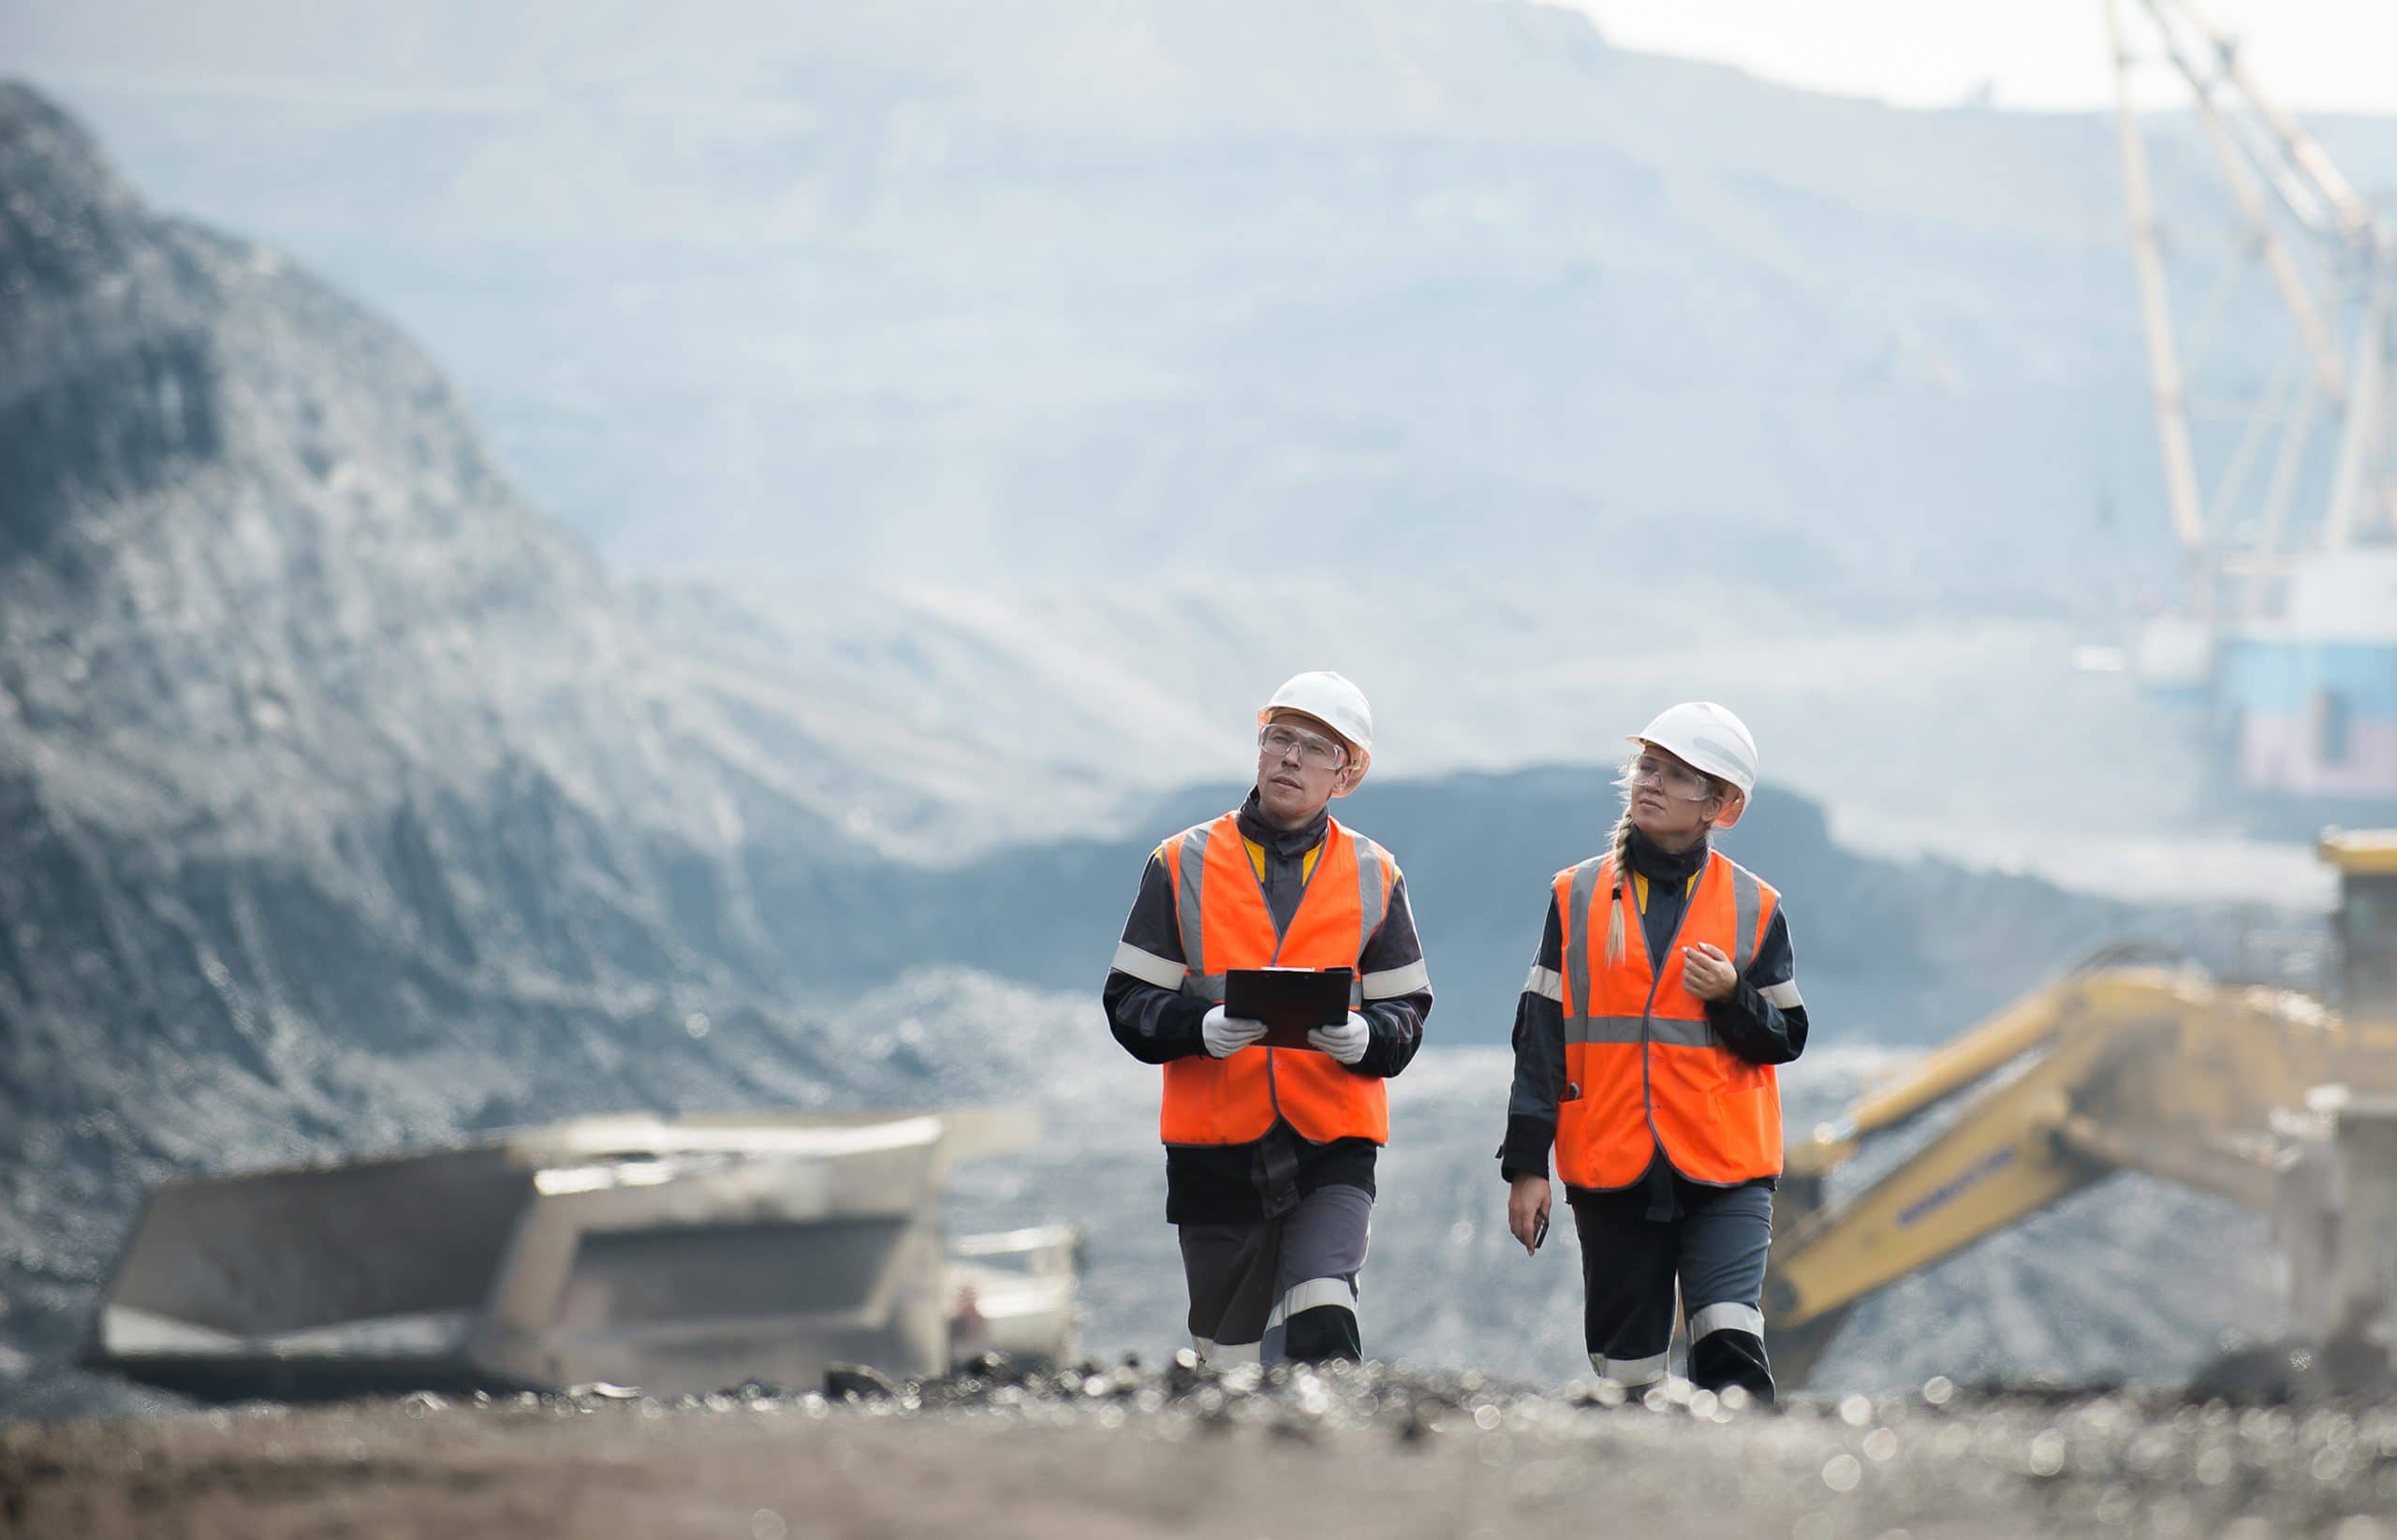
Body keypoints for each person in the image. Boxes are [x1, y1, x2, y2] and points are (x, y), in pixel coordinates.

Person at [1104, 671, 1432, 1367]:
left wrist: (1367, 1037)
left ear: (1346, 775)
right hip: (1215, 1155)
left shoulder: (1377, 874)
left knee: (1322, 1322)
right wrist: (1196, 1026)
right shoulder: (1180, 862)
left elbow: (1407, 1009)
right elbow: (1128, 1001)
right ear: (1259, 749)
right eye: (1280, 737)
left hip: (1331, 1145)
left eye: (1315, 748)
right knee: (1230, 1365)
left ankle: (1333, 1472)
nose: (1291, 757)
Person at [1496, 702, 1806, 1403]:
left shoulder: (1755, 905)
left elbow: (1786, 1035)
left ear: (1720, 807)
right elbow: (1540, 1036)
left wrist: (1732, 996)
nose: (1651, 782)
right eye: (1648, 766)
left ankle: (1744, 1502)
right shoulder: (1575, 895)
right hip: (1613, 1167)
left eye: (1676, 774)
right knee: (1627, 1375)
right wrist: (1526, 1164)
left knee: (1730, 1343)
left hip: (1726, 1167)